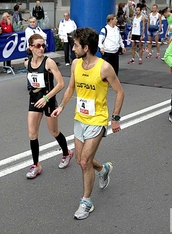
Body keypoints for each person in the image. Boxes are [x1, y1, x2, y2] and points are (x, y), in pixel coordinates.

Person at [51, 27, 124, 220]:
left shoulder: (104, 67)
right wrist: (62, 106)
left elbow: (120, 92)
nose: (72, 48)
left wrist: (115, 119)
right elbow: (70, 88)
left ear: (86, 47)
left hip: (97, 120)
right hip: (80, 118)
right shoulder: (75, 64)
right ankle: (103, 169)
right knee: (82, 161)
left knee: (84, 162)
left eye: (75, 45)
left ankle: (86, 202)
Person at [24, 33, 73, 179]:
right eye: (38, 45)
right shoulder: (27, 63)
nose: (41, 48)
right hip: (34, 100)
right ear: (31, 47)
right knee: (32, 134)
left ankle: (66, 153)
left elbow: (61, 84)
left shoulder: (49, 62)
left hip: (49, 100)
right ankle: (36, 165)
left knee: (53, 131)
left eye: (43, 45)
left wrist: (46, 97)